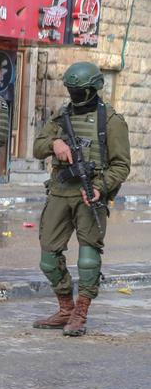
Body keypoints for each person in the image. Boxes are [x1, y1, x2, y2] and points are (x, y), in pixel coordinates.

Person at [31, 61, 130, 336]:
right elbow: (37, 147)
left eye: (79, 90)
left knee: (87, 259)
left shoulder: (111, 121)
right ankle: (65, 308)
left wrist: (100, 187)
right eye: (71, 90)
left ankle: (80, 313)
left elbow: (121, 165)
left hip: (90, 195)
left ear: (93, 88)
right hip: (60, 192)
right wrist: (54, 143)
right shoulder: (61, 116)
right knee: (48, 257)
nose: (74, 95)